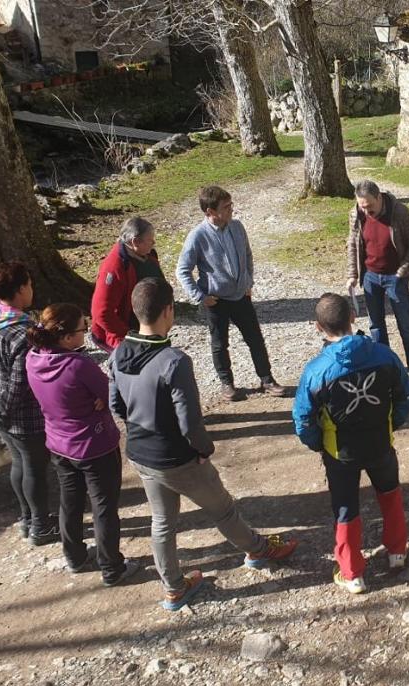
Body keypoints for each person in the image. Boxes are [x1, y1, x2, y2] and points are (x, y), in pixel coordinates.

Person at [109, 278, 299, 611]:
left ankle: (174, 587)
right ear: (169, 311)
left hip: (141, 453)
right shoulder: (173, 361)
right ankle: (258, 549)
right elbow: (189, 422)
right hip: (177, 458)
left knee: (162, 521)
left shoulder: (118, 354)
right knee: (222, 508)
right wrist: (203, 450)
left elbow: (116, 406)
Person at [293, 293, 409, 594]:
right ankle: (397, 552)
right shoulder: (384, 354)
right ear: (352, 318)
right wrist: (391, 424)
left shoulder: (316, 370)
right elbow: (407, 395)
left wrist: (317, 444)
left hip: (340, 452)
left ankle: (352, 573)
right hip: (380, 443)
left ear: (317, 327)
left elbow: (303, 419)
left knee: (346, 508)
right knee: (390, 493)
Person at [26, 303, 139, 586]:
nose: (86, 333)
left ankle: (75, 556)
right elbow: (111, 391)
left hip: (58, 444)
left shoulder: (32, 359)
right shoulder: (79, 365)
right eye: (82, 329)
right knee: (103, 507)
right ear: (65, 338)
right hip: (94, 445)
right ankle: (112, 567)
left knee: (70, 502)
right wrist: (99, 401)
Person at [0, 261, 59, 545]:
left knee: (19, 463)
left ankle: (28, 519)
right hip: (25, 415)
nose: (32, 289)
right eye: (29, 284)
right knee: (34, 468)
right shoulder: (23, 333)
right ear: (20, 289)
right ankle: (41, 526)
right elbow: (19, 384)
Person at [176, 185, 286, 401]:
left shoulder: (237, 227)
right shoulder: (197, 236)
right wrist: (200, 297)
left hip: (241, 296)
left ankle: (266, 379)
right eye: (226, 207)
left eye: (230, 205)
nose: (231, 210)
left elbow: (247, 254)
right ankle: (227, 384)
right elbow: (182, 269)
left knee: (255, 338)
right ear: (210, 212)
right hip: (216, 301)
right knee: (219, 343)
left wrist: (248, 282)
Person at [345, 180, 409, 387]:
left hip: (395, 277)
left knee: (406, 325)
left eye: (369, 206)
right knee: (376, 327)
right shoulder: (356, 213)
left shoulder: (400, 213)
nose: (366, 211)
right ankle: (385, 369)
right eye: (362, 206)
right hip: (370, 277)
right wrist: (353, 274)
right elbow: (352, 244)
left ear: (379, 197)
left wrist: (401, 272)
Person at [90, 217, 162, 351]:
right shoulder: (113, 267)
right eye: (150, 239)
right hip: (128, 336)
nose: (154, 242)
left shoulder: (147, 254)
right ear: (135, 242)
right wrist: (130, 338)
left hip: (147, 328)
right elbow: (101, 312)